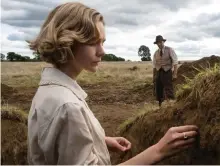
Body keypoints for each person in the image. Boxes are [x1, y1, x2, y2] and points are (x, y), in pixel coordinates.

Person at [27, 2, 198, 165]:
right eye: (93, 42)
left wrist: (100, 141)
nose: (102, 51)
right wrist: (158, 151)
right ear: (68, 40)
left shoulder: (49, 90)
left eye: (102, 42)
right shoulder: (67, 107)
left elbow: (57, 142)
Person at [153, 35, 178, 107]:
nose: (159, 44)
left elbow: (175, 62)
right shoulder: (156, 53)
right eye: (158, 43)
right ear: (156, 44)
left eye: (160, 42)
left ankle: (171, 104)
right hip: (158, 72)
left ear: (163, 42)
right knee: (158, 89)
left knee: (168, 88)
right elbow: (154, 66)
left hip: (167, 72)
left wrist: (175, 74)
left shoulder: (170, 50)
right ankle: (160, 105)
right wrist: (154, 76)